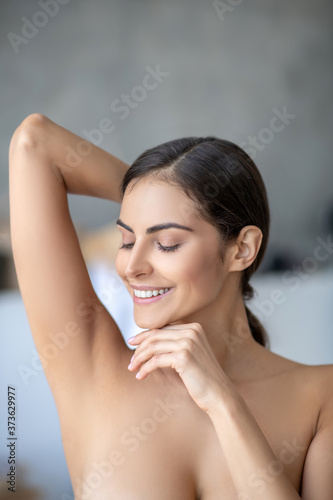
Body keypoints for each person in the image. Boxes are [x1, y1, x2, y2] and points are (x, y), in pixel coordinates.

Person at [9, 113, 333, 500]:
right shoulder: (90, 363)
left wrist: (222, 401)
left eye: (166, 243)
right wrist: (158, 193)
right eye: (127, 240)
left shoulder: (321, 396)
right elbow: (35, 142)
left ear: (242, 249)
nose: (132, 267)